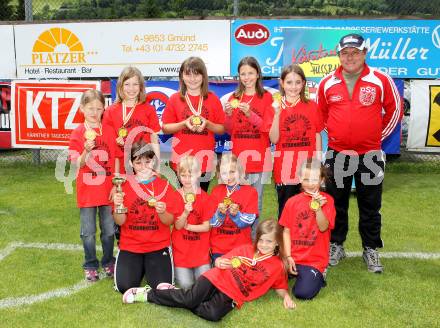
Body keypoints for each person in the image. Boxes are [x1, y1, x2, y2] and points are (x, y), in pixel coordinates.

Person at [316, 33, 402, 273]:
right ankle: (336, 245)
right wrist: (335, 137)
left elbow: (395, 111)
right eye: (345, 53)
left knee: (370, 204)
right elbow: (320, 116)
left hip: (371, 154)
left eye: (355, 52)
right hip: (338, 153)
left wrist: (374, 140)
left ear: (365, 53)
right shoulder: (327, 82)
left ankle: (370, 249)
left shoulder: (381, 80)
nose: (350, 57)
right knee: (335, 202)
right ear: (339, 55)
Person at [122, 219, 296, 322]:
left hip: (233, 295)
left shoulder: (278, 266)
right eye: (261, 240)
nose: (264, 245)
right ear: (256, 239)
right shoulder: (245, 249)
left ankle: (178, 295)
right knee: (191, 298)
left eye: (269, 242)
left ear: (277, 243)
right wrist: (220, 263)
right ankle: (147, 294)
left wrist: (286, 296)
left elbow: (280, 286)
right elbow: (221, 260)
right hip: (216, 278)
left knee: (213, 315)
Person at [112, 141, 180, 293]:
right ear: (131, 163)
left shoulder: (164, 185)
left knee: (162, 288)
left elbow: (169, 221)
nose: (143, 167)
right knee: (124, 287)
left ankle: (147, 268)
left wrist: (162, 211)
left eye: (147, 162)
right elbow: (120, 221)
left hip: (157, 245)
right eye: (138, 163)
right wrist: (118, 206)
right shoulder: (123, 186)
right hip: (131, 245)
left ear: (153, 161)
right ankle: (139, 268)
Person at [68, 90, 115, 281]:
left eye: (98, 108)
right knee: (87, 232)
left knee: (109, 231)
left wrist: (115, 185)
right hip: (87, 191)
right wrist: (86, 152)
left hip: (107, 190)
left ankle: (108, 261)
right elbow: (76, 164)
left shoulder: (109, 131)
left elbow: (115, 159)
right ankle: (90, 264)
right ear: (82, 109)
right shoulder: (78, 133)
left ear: (104, 108)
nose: (95, 112)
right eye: (90, 108)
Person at [224, 56, 273, 236]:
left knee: (256, 200)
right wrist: (228, 114)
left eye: (250, 73)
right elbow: (229, 130)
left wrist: (249, 113)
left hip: (259, 157)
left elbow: (267, 128)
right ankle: (238, 237)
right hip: (238, 159)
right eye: (243, 74)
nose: (247, 77)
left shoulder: (266, 98)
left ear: (258, 74)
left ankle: (253, 238)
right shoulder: (234, 97)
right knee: (237, 198)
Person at [161, 57, 225, 191]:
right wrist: (184, 123)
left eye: (196, 73)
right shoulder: (175, 99)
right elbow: (165, 128)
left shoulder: (212, 99)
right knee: (183, 200)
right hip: (181, 161)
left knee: (201, 202)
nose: (192, 78)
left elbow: (221, 129)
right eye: (188, 74)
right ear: (181, 76)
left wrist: (207, 124)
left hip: (204, 161)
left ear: (203, 76)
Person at [269, 64, 323, 218]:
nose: (293, 87)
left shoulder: (312, 106)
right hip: (286, 169)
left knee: (309, 213)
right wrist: (277, 114)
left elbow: (317, 134)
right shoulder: (274, 107)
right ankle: (285, 242)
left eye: (298, 82)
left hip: (308, 170)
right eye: (289, 82)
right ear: (282, 83)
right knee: (286, 214)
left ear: (304, 83)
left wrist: (318, 164)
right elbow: (274, 139)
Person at [280, 158, 335, 300]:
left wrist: (318, 208)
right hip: (293, 257)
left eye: (314, 179)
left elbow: (323, 227)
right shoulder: (292, 202)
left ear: (322, 180)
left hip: (313, 260)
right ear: (299, 178)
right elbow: (286, 231)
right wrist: (287, 257)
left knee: (302, 293)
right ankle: (296, 273)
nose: (310, 184)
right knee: (266, 274)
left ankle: (318, 274)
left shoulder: (327, 200)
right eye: (306, 179)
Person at [103, 66, 161, 174]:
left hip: (143, 165)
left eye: (135, 84)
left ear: (141, 87)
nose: (131, 89)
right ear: (120, 87)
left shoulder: (149, 109)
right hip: (118, 164)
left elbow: (154, 140)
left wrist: (157, 167)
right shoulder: (110, 111)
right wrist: (115, 142)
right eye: (127, 84)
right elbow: (106, 141)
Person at [209, 153, 258, 261]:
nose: (229, 177)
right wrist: (220, 214)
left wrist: (236, 214)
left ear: (240, 171)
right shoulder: (216, 191)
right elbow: (212, 223)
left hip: (241, 247)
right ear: (219, 174)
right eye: (224, 173)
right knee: (222, 274)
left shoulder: (250, 192)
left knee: (237, 276)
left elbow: (249, 220)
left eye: (232, 172)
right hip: (219, 247)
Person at [172, 155, 211, 289]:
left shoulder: (205, 198)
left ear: (199, 174)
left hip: (200, 251)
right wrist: (185, 213)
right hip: (181, 251)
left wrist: (189, 226)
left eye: (191, 175)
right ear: (178, 175)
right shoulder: (176, 196)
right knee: (186, 285)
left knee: (203, 284)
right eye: (183, 175)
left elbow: (206, 227)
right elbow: (177, 226)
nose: (187, 179)